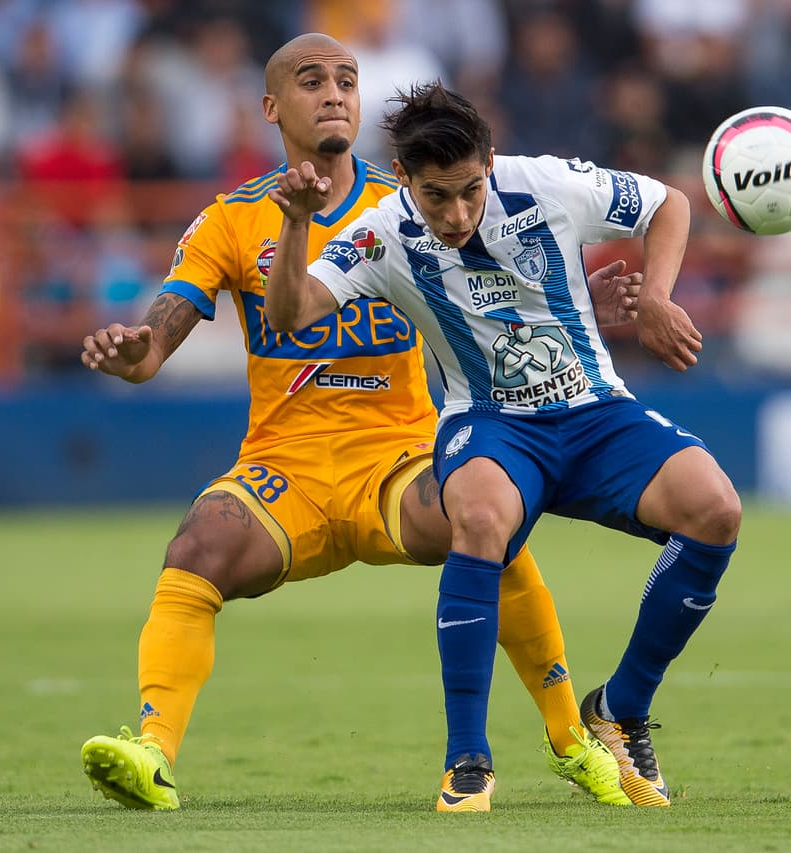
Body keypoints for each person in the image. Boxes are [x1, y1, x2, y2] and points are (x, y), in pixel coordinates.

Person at [77, 34, 644, 812]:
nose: (336, 93)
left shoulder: (415, 202)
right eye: (313, 81)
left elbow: (508, 287)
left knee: (484, 516)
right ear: (273, 107)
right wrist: (134, 351)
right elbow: (152, 351)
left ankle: (570, 740)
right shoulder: (232, 221)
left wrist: (578, 307)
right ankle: (152, 749)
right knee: (197, 545)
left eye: (347, 79)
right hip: (286, 471)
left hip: (403, 455)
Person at [265, 82, 741, 812]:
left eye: (467, 191)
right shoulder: (381, 233)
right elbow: (292, 315)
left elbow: (668, 203)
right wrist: (297, 226)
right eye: (435, 197)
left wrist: (655, 297)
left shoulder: (547, 184)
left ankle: (619, 707)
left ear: (490, 160)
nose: (454, 214)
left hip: (593, 414)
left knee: (716, 508)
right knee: (481, 520)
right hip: (489, 424)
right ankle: (468, 759)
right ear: (403, 179)